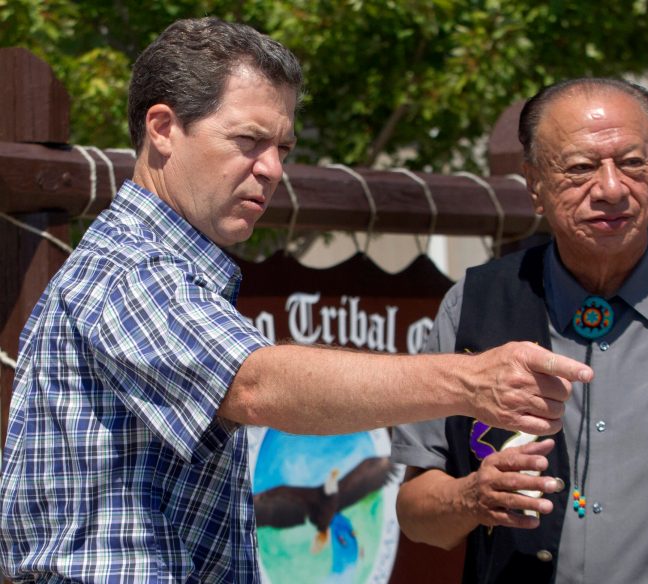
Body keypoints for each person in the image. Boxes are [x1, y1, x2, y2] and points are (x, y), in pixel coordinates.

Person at [0, 17, 592, 584]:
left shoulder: (165, 267)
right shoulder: (130, 267)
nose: (272, 168)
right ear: (162, 128)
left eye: (282, 146)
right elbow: (257, 385)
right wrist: (471, 382)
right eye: (249, 141)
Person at [392, 77, 648, 584]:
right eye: (581, 167)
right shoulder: (477, 306)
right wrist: (473, 497)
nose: (611, 188)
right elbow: (418, 519)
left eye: (632, 163)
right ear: (535, 186)